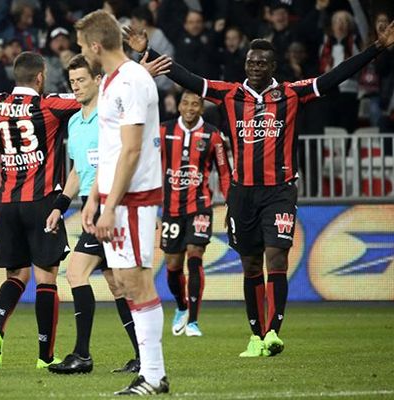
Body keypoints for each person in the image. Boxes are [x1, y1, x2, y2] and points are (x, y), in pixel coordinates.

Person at [124, 19, 394, 357]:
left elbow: (335, 77)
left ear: (273, 67)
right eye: (251, 62)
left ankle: (272, 333)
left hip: (279, 190)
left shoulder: (293, 93)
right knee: (251, 264)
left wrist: (376, 49)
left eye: (261, 63)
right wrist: (146, 53)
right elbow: (187, 77)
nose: (254, 66)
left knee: (276, 256)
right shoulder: (230, 94)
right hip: (242, 193)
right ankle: (255, 335)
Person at [0, 51, 81, 370]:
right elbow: (88, 95)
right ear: (39, 77)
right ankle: (44, 357)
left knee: (16, 275)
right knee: (46, 279)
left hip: (8, 203)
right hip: (42, 202)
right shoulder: (50, 105)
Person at [75, 10, 169, 395]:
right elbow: (111, 149)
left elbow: (131, 151)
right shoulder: (113, 81)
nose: (82, 51)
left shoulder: (130, 81)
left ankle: (154, 374)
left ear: (96, 46)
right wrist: (94, 195)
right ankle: (151, 373)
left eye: (83, 46)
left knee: (136, 281)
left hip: (133, 197)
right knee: (127, 283)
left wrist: (110, 205)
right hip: (116, 196)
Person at [45, 54, 140, 375]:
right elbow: (77, 169)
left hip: (109, 204)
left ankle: (82, 355)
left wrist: (101, 203)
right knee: (117, 285)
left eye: (82, 80)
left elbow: (114, 163)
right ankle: (143, 355)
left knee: (75, 273)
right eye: (72, 82)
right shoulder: (74, 121)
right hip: (90, 202)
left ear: (99, 80)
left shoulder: (109, 117)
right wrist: (60, 205)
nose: (76, 87)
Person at [160, 91, 231, 338]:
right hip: (171, 208)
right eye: (186, 103)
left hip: (200, 206)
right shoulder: (163, 131)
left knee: (195, 255)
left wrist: (230, 203)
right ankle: (181, 307)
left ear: (202, 108)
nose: (190, 108)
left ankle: (193, 321)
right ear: (178, 106)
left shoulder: (213, 136)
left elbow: (224, 172)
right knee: (172, 265)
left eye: (196, 104)